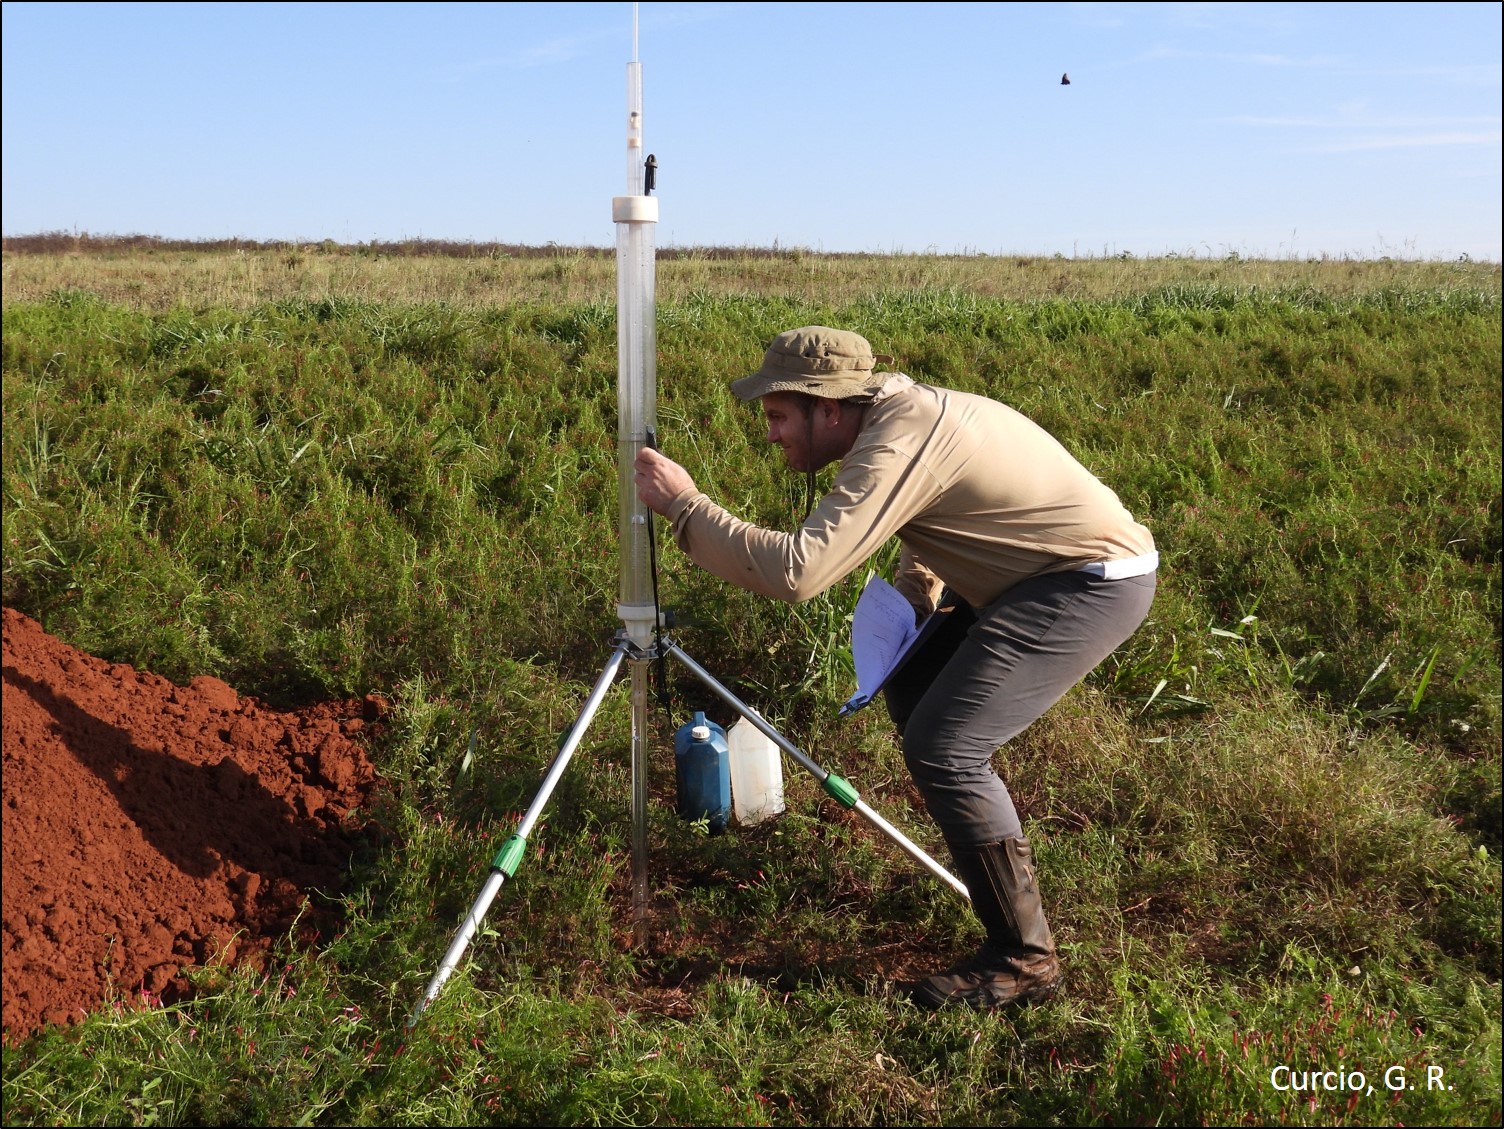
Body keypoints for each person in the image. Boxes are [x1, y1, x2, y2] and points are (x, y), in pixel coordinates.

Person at [633, 326, 1157, 1009]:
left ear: (828, 409)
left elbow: (797, 572)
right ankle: (984, 859)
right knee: (919, 690)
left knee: (946, 745)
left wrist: (684, 506)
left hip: (1089, 580)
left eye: (778, 416)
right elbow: (937, 510)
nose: (772, 435)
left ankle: (1024, 960)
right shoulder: (896, 418)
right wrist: (915, 594)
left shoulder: (897, 436)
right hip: (1028, 574)